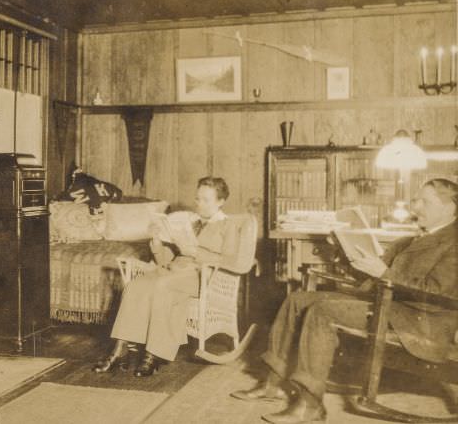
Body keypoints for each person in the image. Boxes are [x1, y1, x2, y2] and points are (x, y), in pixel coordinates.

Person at [231, 178, 458, 424]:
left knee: (323, 311)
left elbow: (438, 292)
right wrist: (342, 251)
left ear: (450, 207)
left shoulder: (453, 242)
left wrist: (384, 273)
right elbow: (372, 273)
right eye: (416, 200)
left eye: (426, 202)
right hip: (389, 305)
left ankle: (310, 405)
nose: (416, 207)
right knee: (297, 299)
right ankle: (272, 383)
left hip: (420, 323)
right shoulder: (413, 238)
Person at [93, 176, 239, 377]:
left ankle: (154, 353)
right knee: (136, 285)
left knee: (163, 285)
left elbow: (230, 260)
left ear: (221, 201)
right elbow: (165, 260)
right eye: (198, 199)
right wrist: (157, 243)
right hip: (174, 270)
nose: (200, 204)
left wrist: (195, 252)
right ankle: (120, 350)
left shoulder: (228, 226)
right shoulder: (191, 221)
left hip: (204, 276)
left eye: (206, 200)